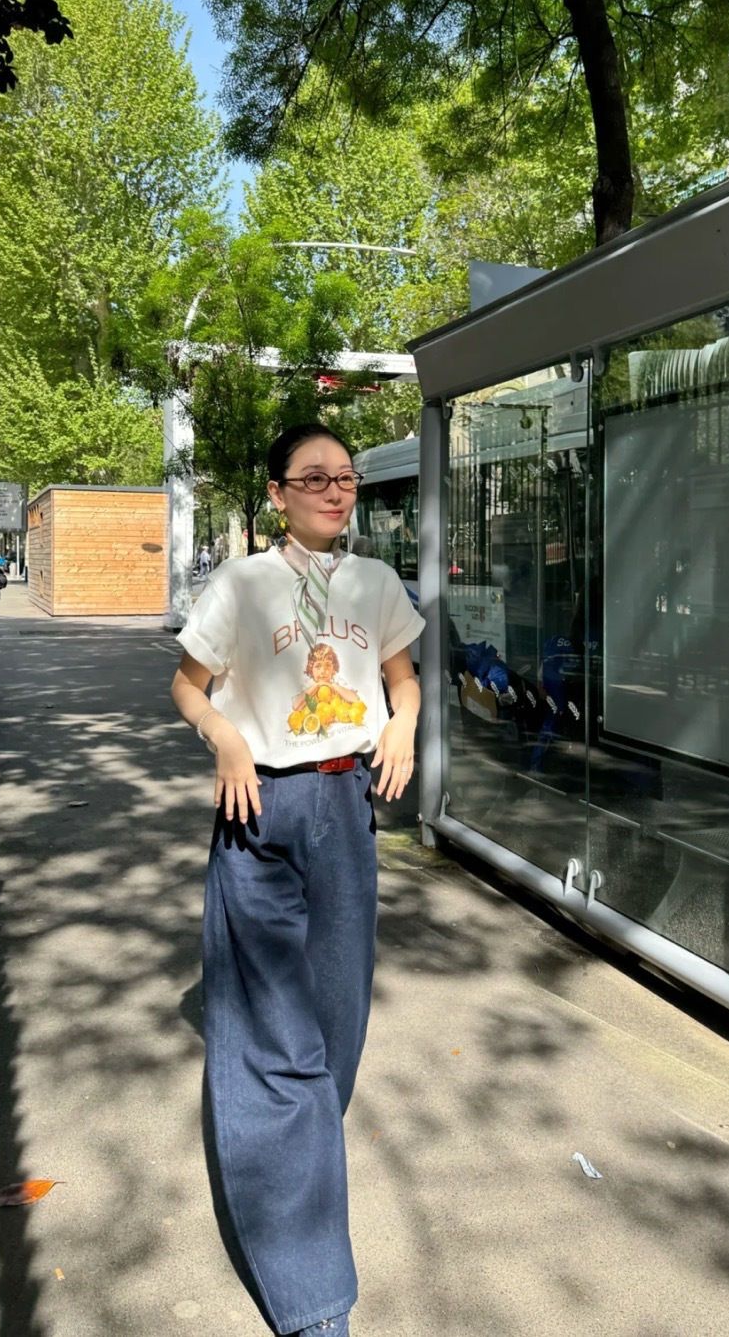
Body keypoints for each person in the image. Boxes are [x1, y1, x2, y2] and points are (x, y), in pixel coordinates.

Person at [170, 424, 424, 1337]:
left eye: (345, 477)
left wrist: (401, 725)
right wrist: (225, 737)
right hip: (262, 808)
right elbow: (188, 684)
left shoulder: (376, 582)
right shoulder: (242, 584)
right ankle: (314, 1297)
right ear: (276, 492)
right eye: (313, 478)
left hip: (346, 807)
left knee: (337, 1026)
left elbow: (402, 679)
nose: (335, 490)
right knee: (279, 1048)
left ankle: (295, 1154)